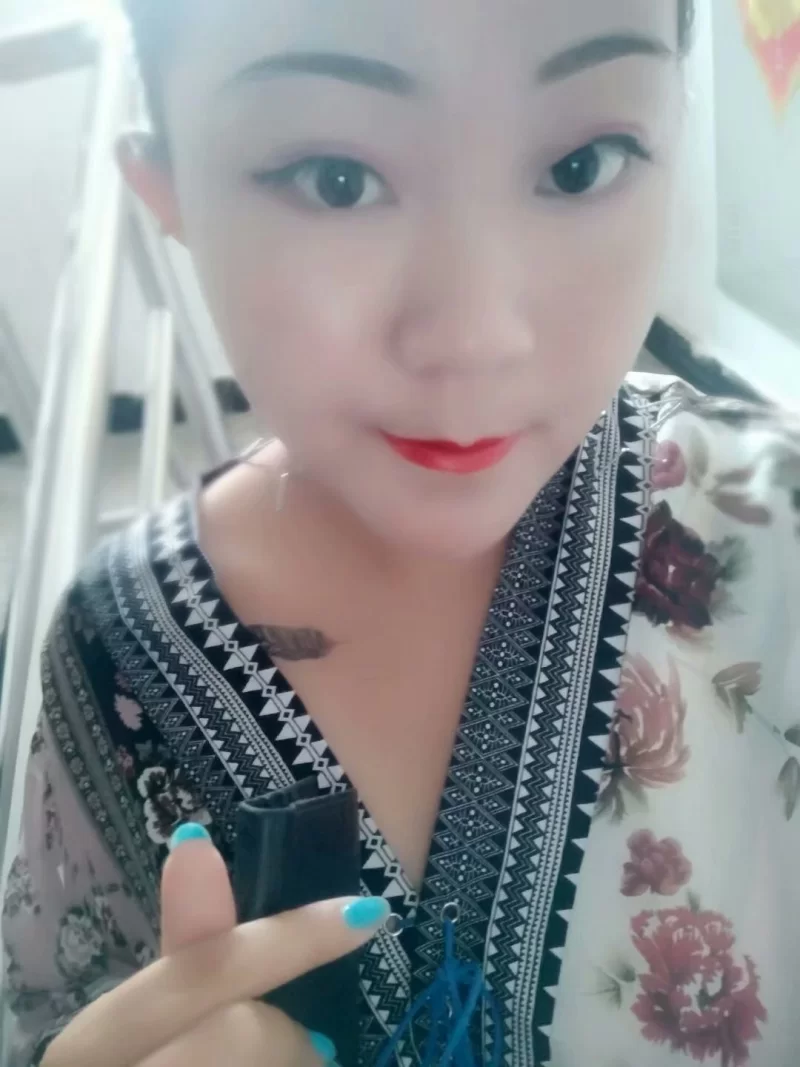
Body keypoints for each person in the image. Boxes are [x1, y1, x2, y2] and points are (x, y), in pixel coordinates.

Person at [3, 0, 800, 1064]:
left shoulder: (777, 530)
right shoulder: (108, 651)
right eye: (335, 179)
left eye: (581, 166)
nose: (475, 337)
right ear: (169, 193)